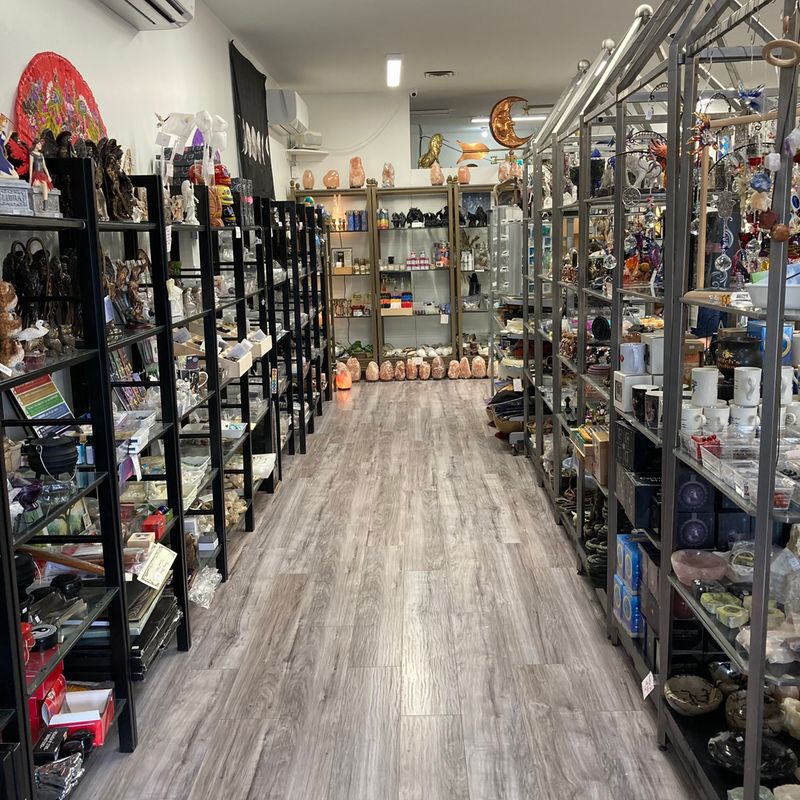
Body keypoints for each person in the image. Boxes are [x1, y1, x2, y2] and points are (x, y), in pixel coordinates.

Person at [29, 138, 53, 202]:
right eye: (39, 144)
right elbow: (31, 167)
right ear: (35, 145)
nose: (40, 146)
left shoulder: (41, 154)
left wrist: (48, 176)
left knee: (46, 186)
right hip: (36, 174)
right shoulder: (32, 154)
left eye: (41, 144)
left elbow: (45, 167)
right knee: (44, 184)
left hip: (43, 174)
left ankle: (45, 201)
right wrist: (30, 179)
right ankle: (45, 201)